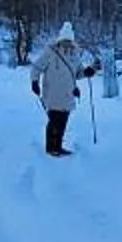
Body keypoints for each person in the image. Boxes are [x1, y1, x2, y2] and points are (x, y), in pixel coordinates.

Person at [31, 24, 86, 156]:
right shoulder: (50, 52)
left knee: (63, 122)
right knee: (54, 121)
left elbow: (78, 73)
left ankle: (58, 146)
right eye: (65, 41)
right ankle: (51, 147)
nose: (67, 44)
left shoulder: (75, 55)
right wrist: (34, 81)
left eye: (69, 41)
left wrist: (89, 71)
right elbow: (37, 67)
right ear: (60, 40)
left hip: (68, 95)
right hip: (52, 94)